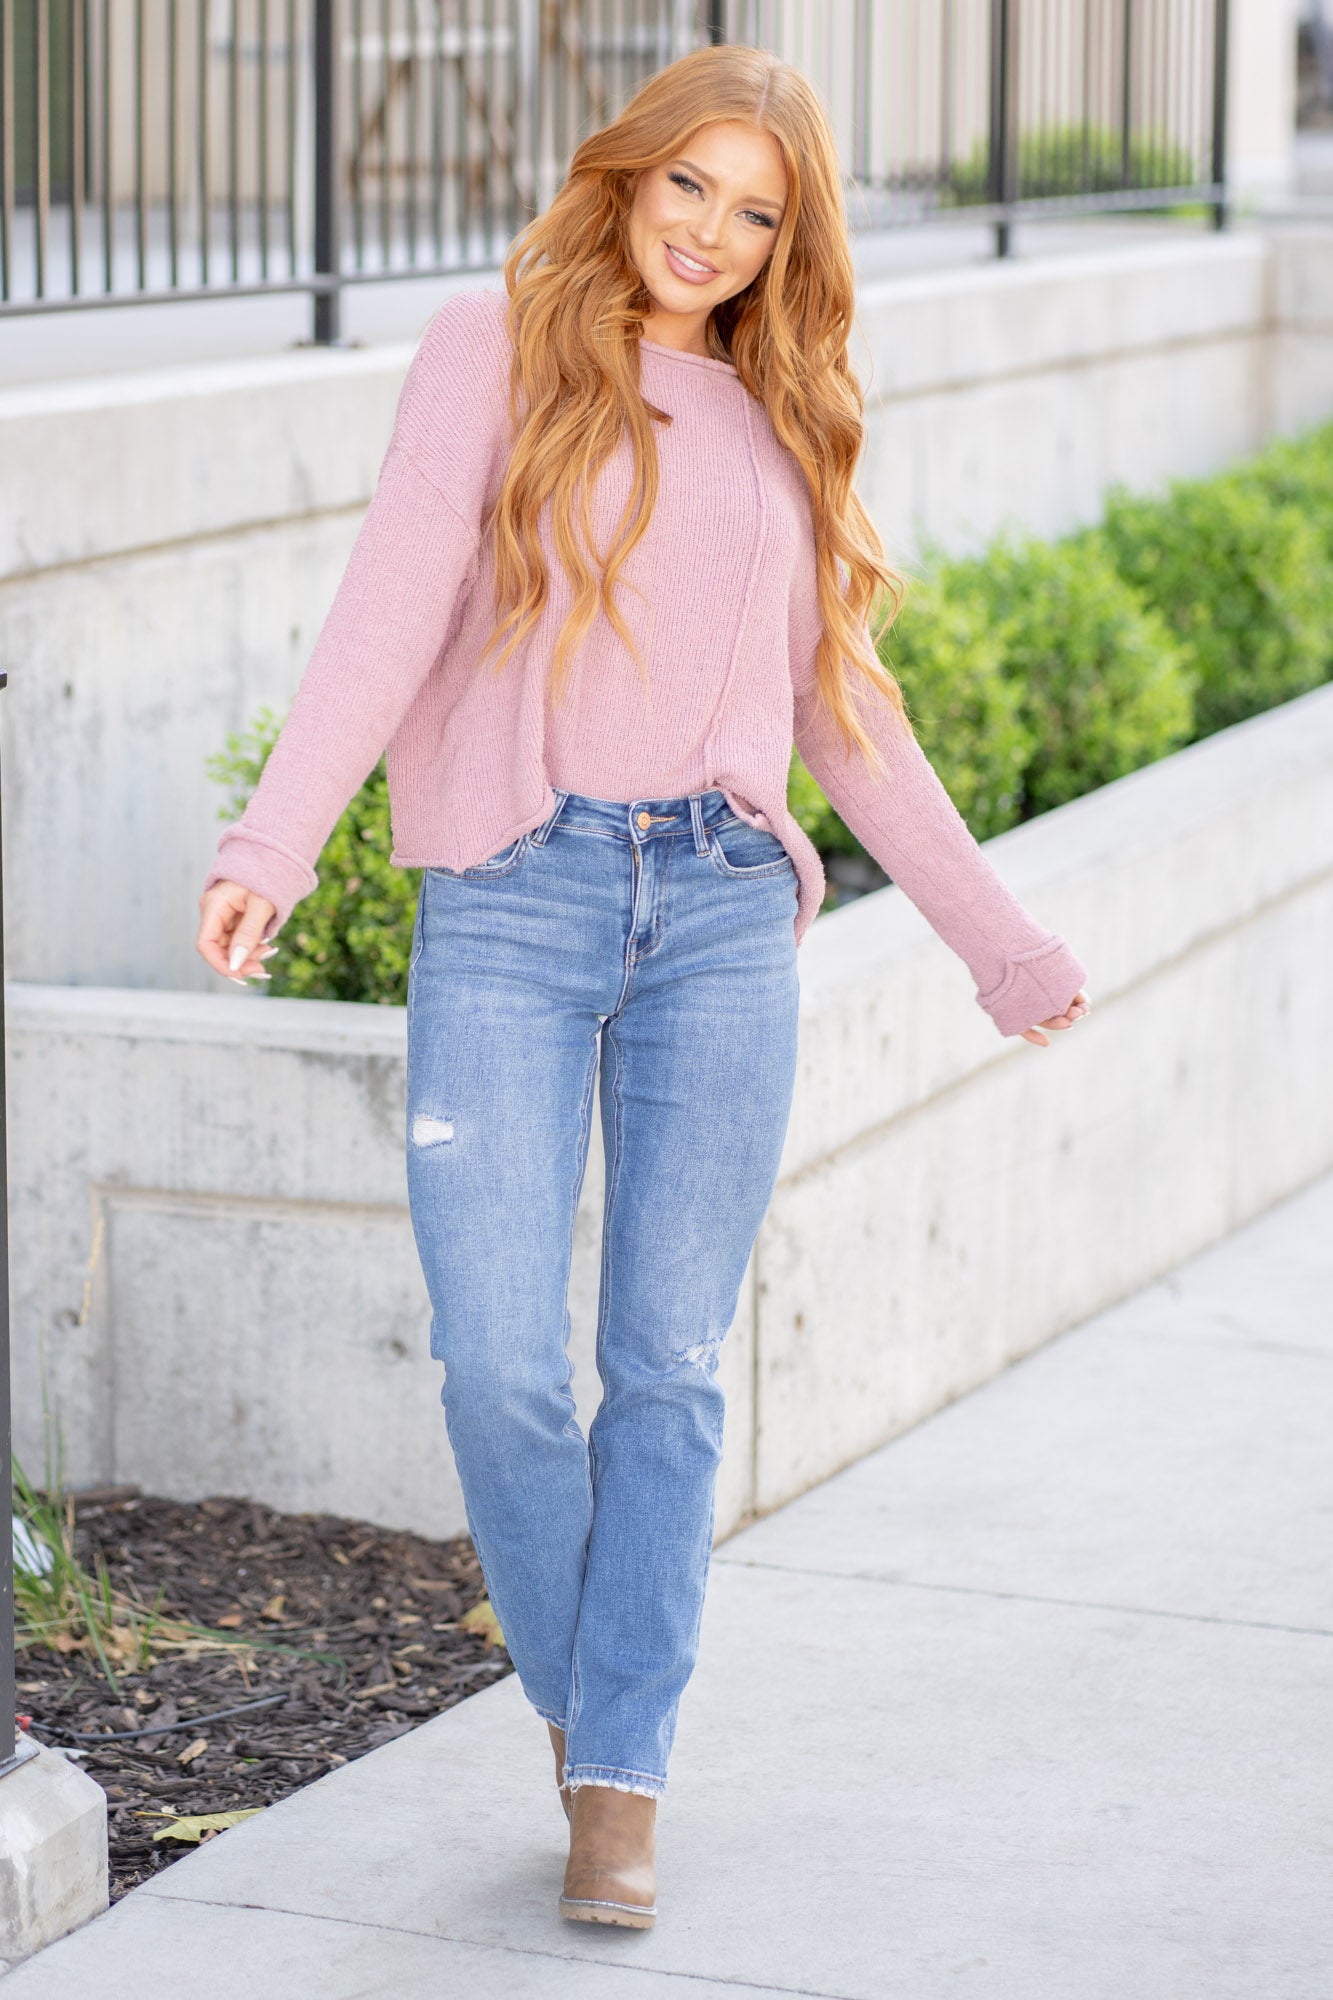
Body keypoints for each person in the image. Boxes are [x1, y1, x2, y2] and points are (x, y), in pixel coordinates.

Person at [195, 43, 1090, 1931]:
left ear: (787, 242)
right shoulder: (492, 349)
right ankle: (583, 1696)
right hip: (512, 903)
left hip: (715, 918)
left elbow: (845, 713)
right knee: (500, 1363)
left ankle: (620, 1770)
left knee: (666, 1370)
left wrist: (996, 941)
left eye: (756, 213)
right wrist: (272, 843)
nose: (710, 234)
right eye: (691, 185)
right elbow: (388, 608)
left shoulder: (786, 411)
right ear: (627, 174)